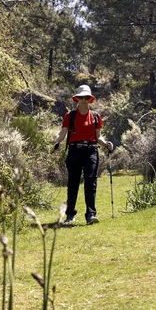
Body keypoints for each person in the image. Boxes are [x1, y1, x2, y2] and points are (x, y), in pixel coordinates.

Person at [54, 85, 113, 225]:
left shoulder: (96, 116)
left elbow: (98, 137)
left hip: (91, 151)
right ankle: (70, 215)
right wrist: (56, 142)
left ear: (90, 99)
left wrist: (106, 144)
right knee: (73, 183)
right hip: (74, 151)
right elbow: (63, 133)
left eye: (86, 97)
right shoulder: (70, 116)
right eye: (81, 97)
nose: (84, 100)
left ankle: (90, 215)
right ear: (77, 99)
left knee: (91, 183)